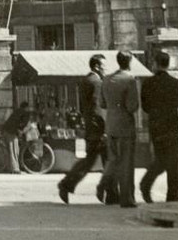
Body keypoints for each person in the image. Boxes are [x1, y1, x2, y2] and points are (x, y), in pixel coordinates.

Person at [139, 51, 178, 203]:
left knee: (161, 160)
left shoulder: (147, 83)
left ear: (155, 64)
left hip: (157, 128)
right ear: (167, 64)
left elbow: (145, 107)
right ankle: (173, 195)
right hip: (173, 128)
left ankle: (146, 183)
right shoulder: (174, 83)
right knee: (175, 164)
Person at [58, 54, 107, 204]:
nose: (106, 69)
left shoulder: (85, 80)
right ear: (97, 66)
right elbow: (97, 107)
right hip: (98, 127)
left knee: (91, 160)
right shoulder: (96, 82)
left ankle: (67, 184)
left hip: (90, 126)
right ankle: (107, 191)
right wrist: (105, 127)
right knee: (107, 161)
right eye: (104, 66)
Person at [99, 51, 139, 207]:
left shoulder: (107, 80)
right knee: (126, 163)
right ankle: (127, 198)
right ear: (129, 62)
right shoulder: (130, 80)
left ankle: (106, 188)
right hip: (125, 126)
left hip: (110, 125)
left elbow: (102, 104)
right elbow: (132, 106)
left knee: (113, 161)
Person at [0, 101, 31, 174]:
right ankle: (15, 169)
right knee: (14, 150)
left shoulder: (17, 111)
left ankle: (9, 168)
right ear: (26, 107)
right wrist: (21, 131)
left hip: (6, 131)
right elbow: (22, 124)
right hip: (11, 132)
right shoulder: (24, 113)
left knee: (10, 150)